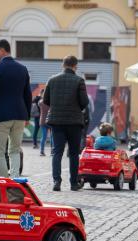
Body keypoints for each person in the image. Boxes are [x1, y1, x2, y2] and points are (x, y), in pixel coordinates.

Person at [0, 39, 32, 178]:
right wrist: (27, 116)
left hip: (0, 116)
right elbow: (28, 94)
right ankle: (15, 180)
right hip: (20, 115)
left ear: (2, 51)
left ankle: (4, 182)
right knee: (15, 150)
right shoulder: (22, 68)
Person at [43, 55, 89, 192]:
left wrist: (56, 107)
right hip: (74, 121)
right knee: (74, 153)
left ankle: (56, 181)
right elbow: (84, 102)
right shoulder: (79, 80)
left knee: (57, 152)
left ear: (62, 65)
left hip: (56, 121)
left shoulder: (52, 80)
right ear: (75, 66)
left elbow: (46, 100)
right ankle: (73, 183)